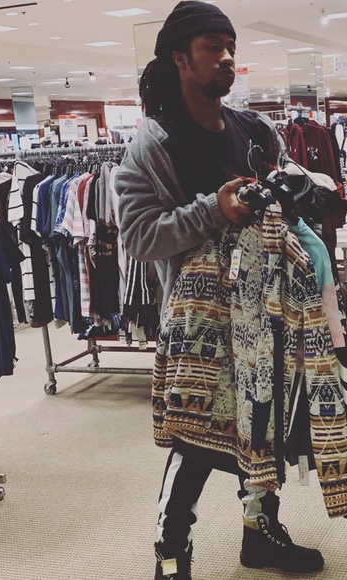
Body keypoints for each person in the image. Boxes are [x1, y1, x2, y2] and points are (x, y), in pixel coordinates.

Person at [114, 2, 325, 579]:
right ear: (179, 58)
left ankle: (260, 532)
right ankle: (170, 548)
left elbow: (286, 213)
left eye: (231, 46)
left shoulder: (255, 131)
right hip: (199, 322)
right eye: (213, 46)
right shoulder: (153, 145)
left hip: (268, 309)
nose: (228, 57)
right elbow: (139, 237)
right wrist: (215, 210)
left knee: (265, 422)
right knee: (197, 434)